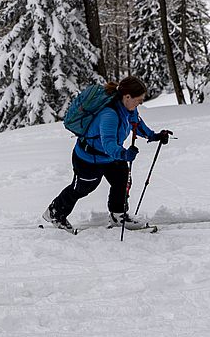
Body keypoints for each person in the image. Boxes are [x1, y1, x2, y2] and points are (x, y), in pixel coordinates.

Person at [43, 75, 172, 232]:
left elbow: (136, 123)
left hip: (110, 157)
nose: (140, 103)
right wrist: (124, 154)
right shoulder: (109, 115)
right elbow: (108, 144)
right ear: (127, 96)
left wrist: (154, 136)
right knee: (82, 188)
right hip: (89, 158)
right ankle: (55, 212)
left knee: (122, 180)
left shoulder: (128, 108)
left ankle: (118, 215)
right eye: (138, 99)